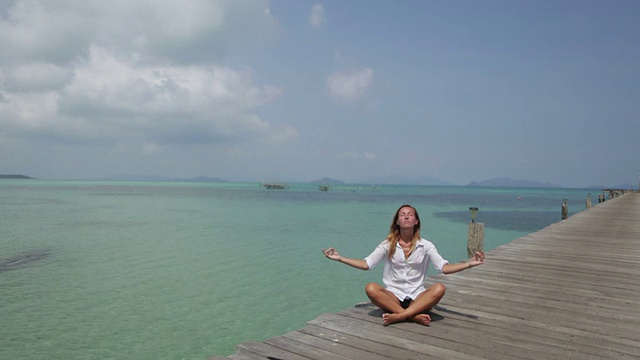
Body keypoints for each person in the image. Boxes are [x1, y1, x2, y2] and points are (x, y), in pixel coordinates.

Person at [323, 204, 485, 326]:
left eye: (410, 215)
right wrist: (340, 258)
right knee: (371, 288)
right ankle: (412, 316)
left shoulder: (426, 245)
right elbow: (367, 264)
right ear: (397, 221)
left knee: (439, 288)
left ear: (416, 221)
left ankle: (399, 316)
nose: (406, 217)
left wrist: (470, 263)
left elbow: (444, 268)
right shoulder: (387, 244)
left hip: (417, 297)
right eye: (402, 215)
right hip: (393, 297)